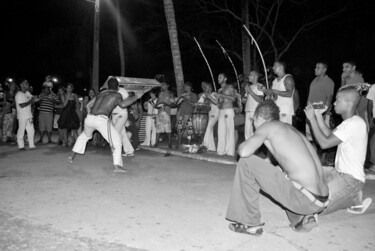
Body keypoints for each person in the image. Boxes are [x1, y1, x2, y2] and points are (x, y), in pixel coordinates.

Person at [226, 100, 329, 236]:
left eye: (254, 121)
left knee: (246, 162)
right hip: (322, 198)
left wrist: (240, 145)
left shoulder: (267, 126)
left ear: (259, 118)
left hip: (305, 199)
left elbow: (244, 152)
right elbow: (270, 165)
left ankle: (249, 223)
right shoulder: (288, 128)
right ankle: (302, 218)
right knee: (282, 174)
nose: (254, 124)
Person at [305, 87, 372, 215]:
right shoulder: (349, 122)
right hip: (339, 173)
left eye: (337, 100)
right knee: (310, 189)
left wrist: (312, 119)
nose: (334, 103)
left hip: (350, 179)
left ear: (349, 103)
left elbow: (324, 143)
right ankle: (354, 199)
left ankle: (352, 197)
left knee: (315, 207)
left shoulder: (354, 124)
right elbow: (329, 135)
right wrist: (318, 115)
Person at [68, 77, 144, 172]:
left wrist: (89, 115)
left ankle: (71, 156)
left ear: (108, 86)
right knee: (116, 141)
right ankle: (117, 167)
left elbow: (88, 105)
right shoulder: (117, 95)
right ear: (117, 87)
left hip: (89, 119)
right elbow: (123, 105)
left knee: (83, 137)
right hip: (101, 120)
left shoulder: (100, 93)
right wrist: (136, 96)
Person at [306, 61, 335, 164]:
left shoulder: (329, 82)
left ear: (324, 70)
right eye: (315, 67)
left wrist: (324, 113)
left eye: (318, 68)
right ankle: (314, 156)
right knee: (312, 136)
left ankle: (324, 158)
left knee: (322, 136)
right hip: (310, 113)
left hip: (320, 113)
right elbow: (310, 97)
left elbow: (329, 98)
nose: (315, 69)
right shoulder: (314, 80)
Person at [213, 73, 236, 156]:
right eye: (218, 77)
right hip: (222, 111)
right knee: (221, 131)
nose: (218, 78)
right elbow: (220, 102)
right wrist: (217, 102)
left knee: (230, 131)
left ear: (225, 79)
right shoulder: (219, 90)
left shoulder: (229, 87)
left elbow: (233, 98)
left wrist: (221, 95)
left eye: (220, 77)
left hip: (228, 110)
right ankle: (220, 150)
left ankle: (230, 151)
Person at [15, 80, 40, 150]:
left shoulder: (27, 93)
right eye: (25, 83)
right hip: (22, 115)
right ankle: (21, 146)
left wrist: (39, 98)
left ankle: (31, 145)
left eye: (27, 83)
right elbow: (22, 105)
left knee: (31, 130)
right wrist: (31, 101)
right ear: (21, 85)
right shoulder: (19, 94)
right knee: (21, 130)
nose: (27, 84)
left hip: (29, 115)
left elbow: (34, 99)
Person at [111, 87, 135, 157]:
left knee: (115, 133)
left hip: (121, 114)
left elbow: (128, 100)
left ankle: (115, 151)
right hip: (114, 115)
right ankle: (129, 151)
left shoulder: (122, 90)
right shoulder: (110, 90)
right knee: (123, 134)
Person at [243, 71, 264, 140]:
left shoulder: (260, 86)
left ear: (255, 76)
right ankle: (249, 149)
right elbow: (246, 99)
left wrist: (250, 91)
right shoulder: (249, 87)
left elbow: (260, 100)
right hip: (248, 110)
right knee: (247, 132)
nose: (248, 77)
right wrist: (243, 99)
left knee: (258, 131)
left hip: (256, 111)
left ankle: (258, 149)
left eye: (250, 75)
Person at [176, 82, 198, 147]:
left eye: (186, 86)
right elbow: (177, 104)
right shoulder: (182, 94)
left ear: (189, 87)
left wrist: (187, 100)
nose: (185, 88)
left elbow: (194, 104)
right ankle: (179, 144)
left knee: (189, 131)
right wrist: (181, 99)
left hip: (189, 115)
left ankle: (188, 145)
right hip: (182, 114)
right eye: (184, 86)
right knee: (180, 130)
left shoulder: (194, 95)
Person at [154, 81, 174, 148]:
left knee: (168, 128)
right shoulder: (160, 93)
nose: (162, 87)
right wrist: (156, 105)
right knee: (158, 128)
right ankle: (156, 143)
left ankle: (170, 143)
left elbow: (173, 104)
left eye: (164, 85)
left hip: (166, 112)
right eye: (161, 85)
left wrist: (166, 104)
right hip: (159, 112)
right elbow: (157, 103)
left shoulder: (170, 93)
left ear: (167, 85)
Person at [202, 82, 219, 151]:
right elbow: (208, 106)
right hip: (210, 113)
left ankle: (205, 144)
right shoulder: (206, 95)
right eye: (205, 88)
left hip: (216, 113)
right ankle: (211, 147)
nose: (207, 89)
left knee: (209, 127)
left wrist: (209, 98)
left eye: (208, 87)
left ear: (211, 88)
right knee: (210, 129)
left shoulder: (214, 94)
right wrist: (206, 102)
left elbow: (216, 102)